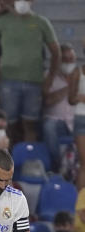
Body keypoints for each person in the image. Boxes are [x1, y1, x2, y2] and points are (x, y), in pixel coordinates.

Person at [0, 0, 59, 142]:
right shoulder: (2, 21)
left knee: (30, 125)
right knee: (7, 124)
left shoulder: (41, 22)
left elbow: (56, 52)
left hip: (34, 82)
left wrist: (50, 79)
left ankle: (28, 158)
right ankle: (8, 160)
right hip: (7, 81)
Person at [41, 44, 78, 171]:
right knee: (48, 126)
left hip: (76, 122)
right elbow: (47, 101)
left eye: (71, 59)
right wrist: (69, 88)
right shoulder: (49, 76)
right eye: (65, 59)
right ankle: (56, 166)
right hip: (56, 122)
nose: (69, 63)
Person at [64, 45, 85, 190]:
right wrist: (79, 98)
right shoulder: (77, 72)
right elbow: (71, 99)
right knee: (84, 164)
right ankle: (80, 207)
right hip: (81, 118)